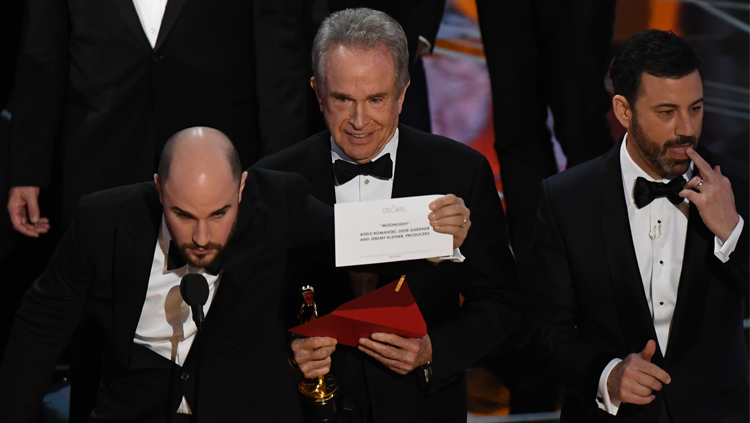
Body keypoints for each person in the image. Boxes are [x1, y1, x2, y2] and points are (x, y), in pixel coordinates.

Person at [255, 8, 522, 422]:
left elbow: (503, 302)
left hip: (422, 406)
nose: (359, 121)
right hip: (308, 410)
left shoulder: (461, 171)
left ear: (402, 93)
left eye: (376, 99)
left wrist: (434, 349)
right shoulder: (272, 179)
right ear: (317, 92)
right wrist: (287, 350)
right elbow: (242, 313)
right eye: (343, 99)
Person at [0, 127, 333, 422]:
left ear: (242, 187)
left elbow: (360, 241)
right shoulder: (103, 222)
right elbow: (37, 329)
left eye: (219, 213)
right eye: (183, 214)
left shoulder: (279, 202)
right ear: (159, 190)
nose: (202, 238)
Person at [526, 30, 748, 423]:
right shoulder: (566, 198)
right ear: (623, 111)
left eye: (695, 108)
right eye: (667, 112)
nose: (686, 129)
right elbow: (545, 326)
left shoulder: (738, 187)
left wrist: (733, 233)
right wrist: (605, 374)